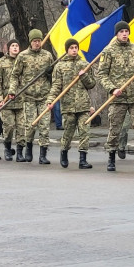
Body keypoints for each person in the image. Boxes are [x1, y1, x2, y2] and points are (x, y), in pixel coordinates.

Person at [96, 20, 134, 173]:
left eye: (126, 31)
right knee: (115, 129)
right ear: (116, 34)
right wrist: (112, 88)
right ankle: (111, 158)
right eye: (121, 32)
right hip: (118, 97)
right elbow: (101, 74)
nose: (124, 34)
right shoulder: (108, 51)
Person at [46, 38, 96, 169]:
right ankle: (64, 152)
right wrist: (50, 100)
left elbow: (91, 84)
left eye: (76, 48)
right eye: (71, 48)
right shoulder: (60, 66)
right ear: (67, 49)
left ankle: (83, 159)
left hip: (83, 104)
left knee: (84, 132)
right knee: (68, 132)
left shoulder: (84, 64)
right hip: (68, 106)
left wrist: (83, 76)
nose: (74, 50)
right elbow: (56, 86)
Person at [9, 29, 54, 164]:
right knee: (30, 126)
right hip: (28, 97)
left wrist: (50, 73)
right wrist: (12, 90)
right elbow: (15, 75)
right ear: (30, 42)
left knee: (45, 126)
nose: (37, 43)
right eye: (35, 41)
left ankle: (43, 154)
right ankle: (28, 148)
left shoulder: (47, 56)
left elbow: (55, 77)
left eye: (39, 41)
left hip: (44, 96)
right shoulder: (22, 56)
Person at [0, 40, 22, 161]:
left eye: (17, 45)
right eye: (13, 46)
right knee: (9, 126)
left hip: (21, 98)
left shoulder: (23, 61)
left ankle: (20, 152)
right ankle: (8, 147)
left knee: (21, 127)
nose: (15, 48)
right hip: (6, 100)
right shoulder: (1, 63)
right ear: (9, 48)